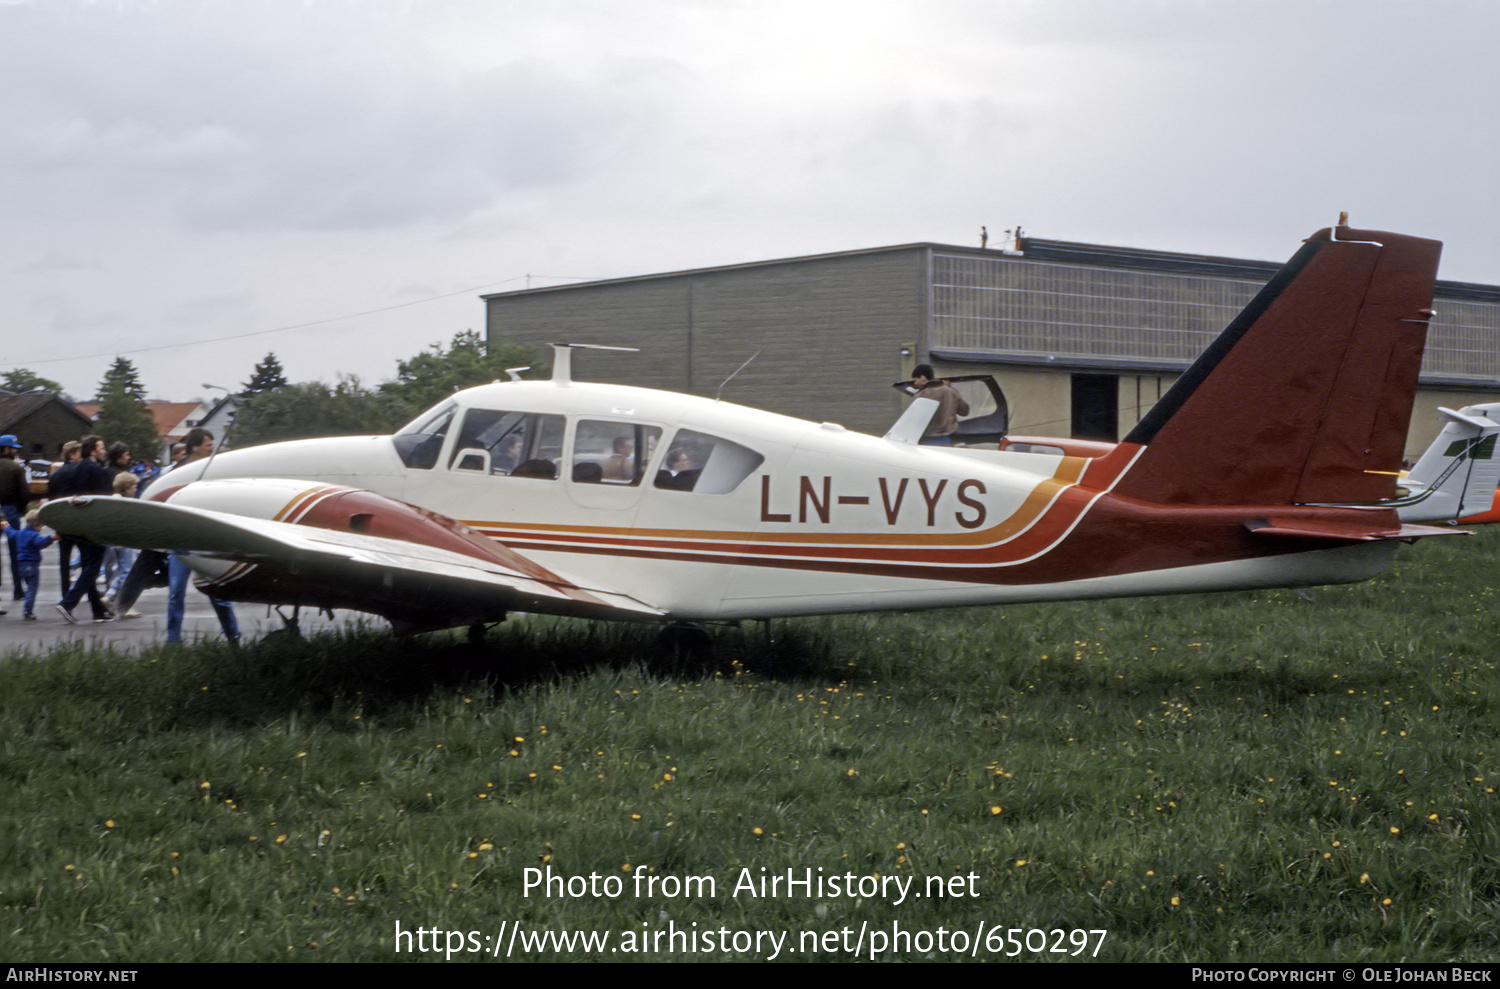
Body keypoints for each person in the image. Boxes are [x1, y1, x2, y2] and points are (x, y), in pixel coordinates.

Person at [55, 435, 114, 623]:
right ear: (93, 451)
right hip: (95, 524)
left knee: (90, 566)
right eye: (101, 447)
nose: (103, 450)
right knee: (93, 567)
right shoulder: (97, 471)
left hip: (78, 522)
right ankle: (67, 603)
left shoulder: (76, 469)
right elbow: (105, 500)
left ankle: (97, 611)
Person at [3, 510, 55, 620]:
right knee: (32, 588)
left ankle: (27, 604)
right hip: (32, 565)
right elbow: (40, 543)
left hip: (20, 566)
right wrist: (52, 537)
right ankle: (28, 611)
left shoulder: (20, 533)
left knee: (28, 587)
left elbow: (11, 533)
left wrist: (6, 527)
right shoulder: (34, 535)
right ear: (38, 524)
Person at [909, 364, 970, 446]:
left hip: (927, 439)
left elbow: (914, 420)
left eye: (915, 379)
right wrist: (952, 389)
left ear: (922, 377)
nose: (915, 383)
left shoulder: (921, 395)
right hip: (948, 439)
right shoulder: (950, 391)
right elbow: (965, 411)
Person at [0, 434, 27, 601]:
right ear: (6, 449)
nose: (16, 451)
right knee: (15, 553)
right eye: (14, 448)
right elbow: (24, 493)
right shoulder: (16, 468)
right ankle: (18, 589)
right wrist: (21, 510)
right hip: (11, 510)